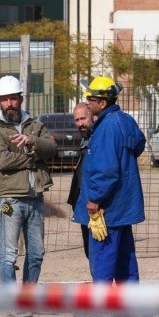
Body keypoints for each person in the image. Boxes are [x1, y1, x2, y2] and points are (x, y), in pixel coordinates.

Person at [0, 75, 56, 317]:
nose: (9, 104)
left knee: (36, 253)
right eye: (4, 100)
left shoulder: (35, 125)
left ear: (21, 99)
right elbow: (3, 161)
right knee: (8, 254)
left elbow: (52, 148)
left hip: (35, 198)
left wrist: (32, 141)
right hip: (10, 200)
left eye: (13, 99)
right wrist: (34, 156)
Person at [73, 76, 145, 284]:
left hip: (108, 209)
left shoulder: (106, 128)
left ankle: (102, 302)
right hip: (124, 206)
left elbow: (106, 170)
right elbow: (139, 144)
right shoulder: (126, 120)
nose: (87, 102)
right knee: (125, 260)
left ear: (103, 103)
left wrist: (95, 199)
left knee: (103, 260)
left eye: (91, 99)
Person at [66, 102, 93, 259]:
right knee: (89, 250)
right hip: (82, 201)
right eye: (77, 120)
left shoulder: (99, 137)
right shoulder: (85, 138)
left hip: (95, 202)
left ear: (93, 116)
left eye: (83, 118)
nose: (80, 123)